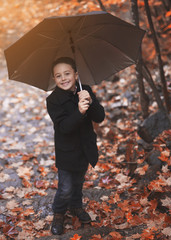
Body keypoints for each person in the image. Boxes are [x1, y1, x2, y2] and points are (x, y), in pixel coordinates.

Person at [46, 57, 105, 235]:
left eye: (67, 73)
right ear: (54, 79)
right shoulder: (53, 100)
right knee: (65, 187)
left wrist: (90, 102)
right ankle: (58, 212)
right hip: (67, 152)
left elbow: (99, 117)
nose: (63, 78)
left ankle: (76, 206)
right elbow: (63, 127)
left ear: (76, 74)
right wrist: (79, 111)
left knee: (78, 182)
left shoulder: (84, 89)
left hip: (84, 148)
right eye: (58, 76)